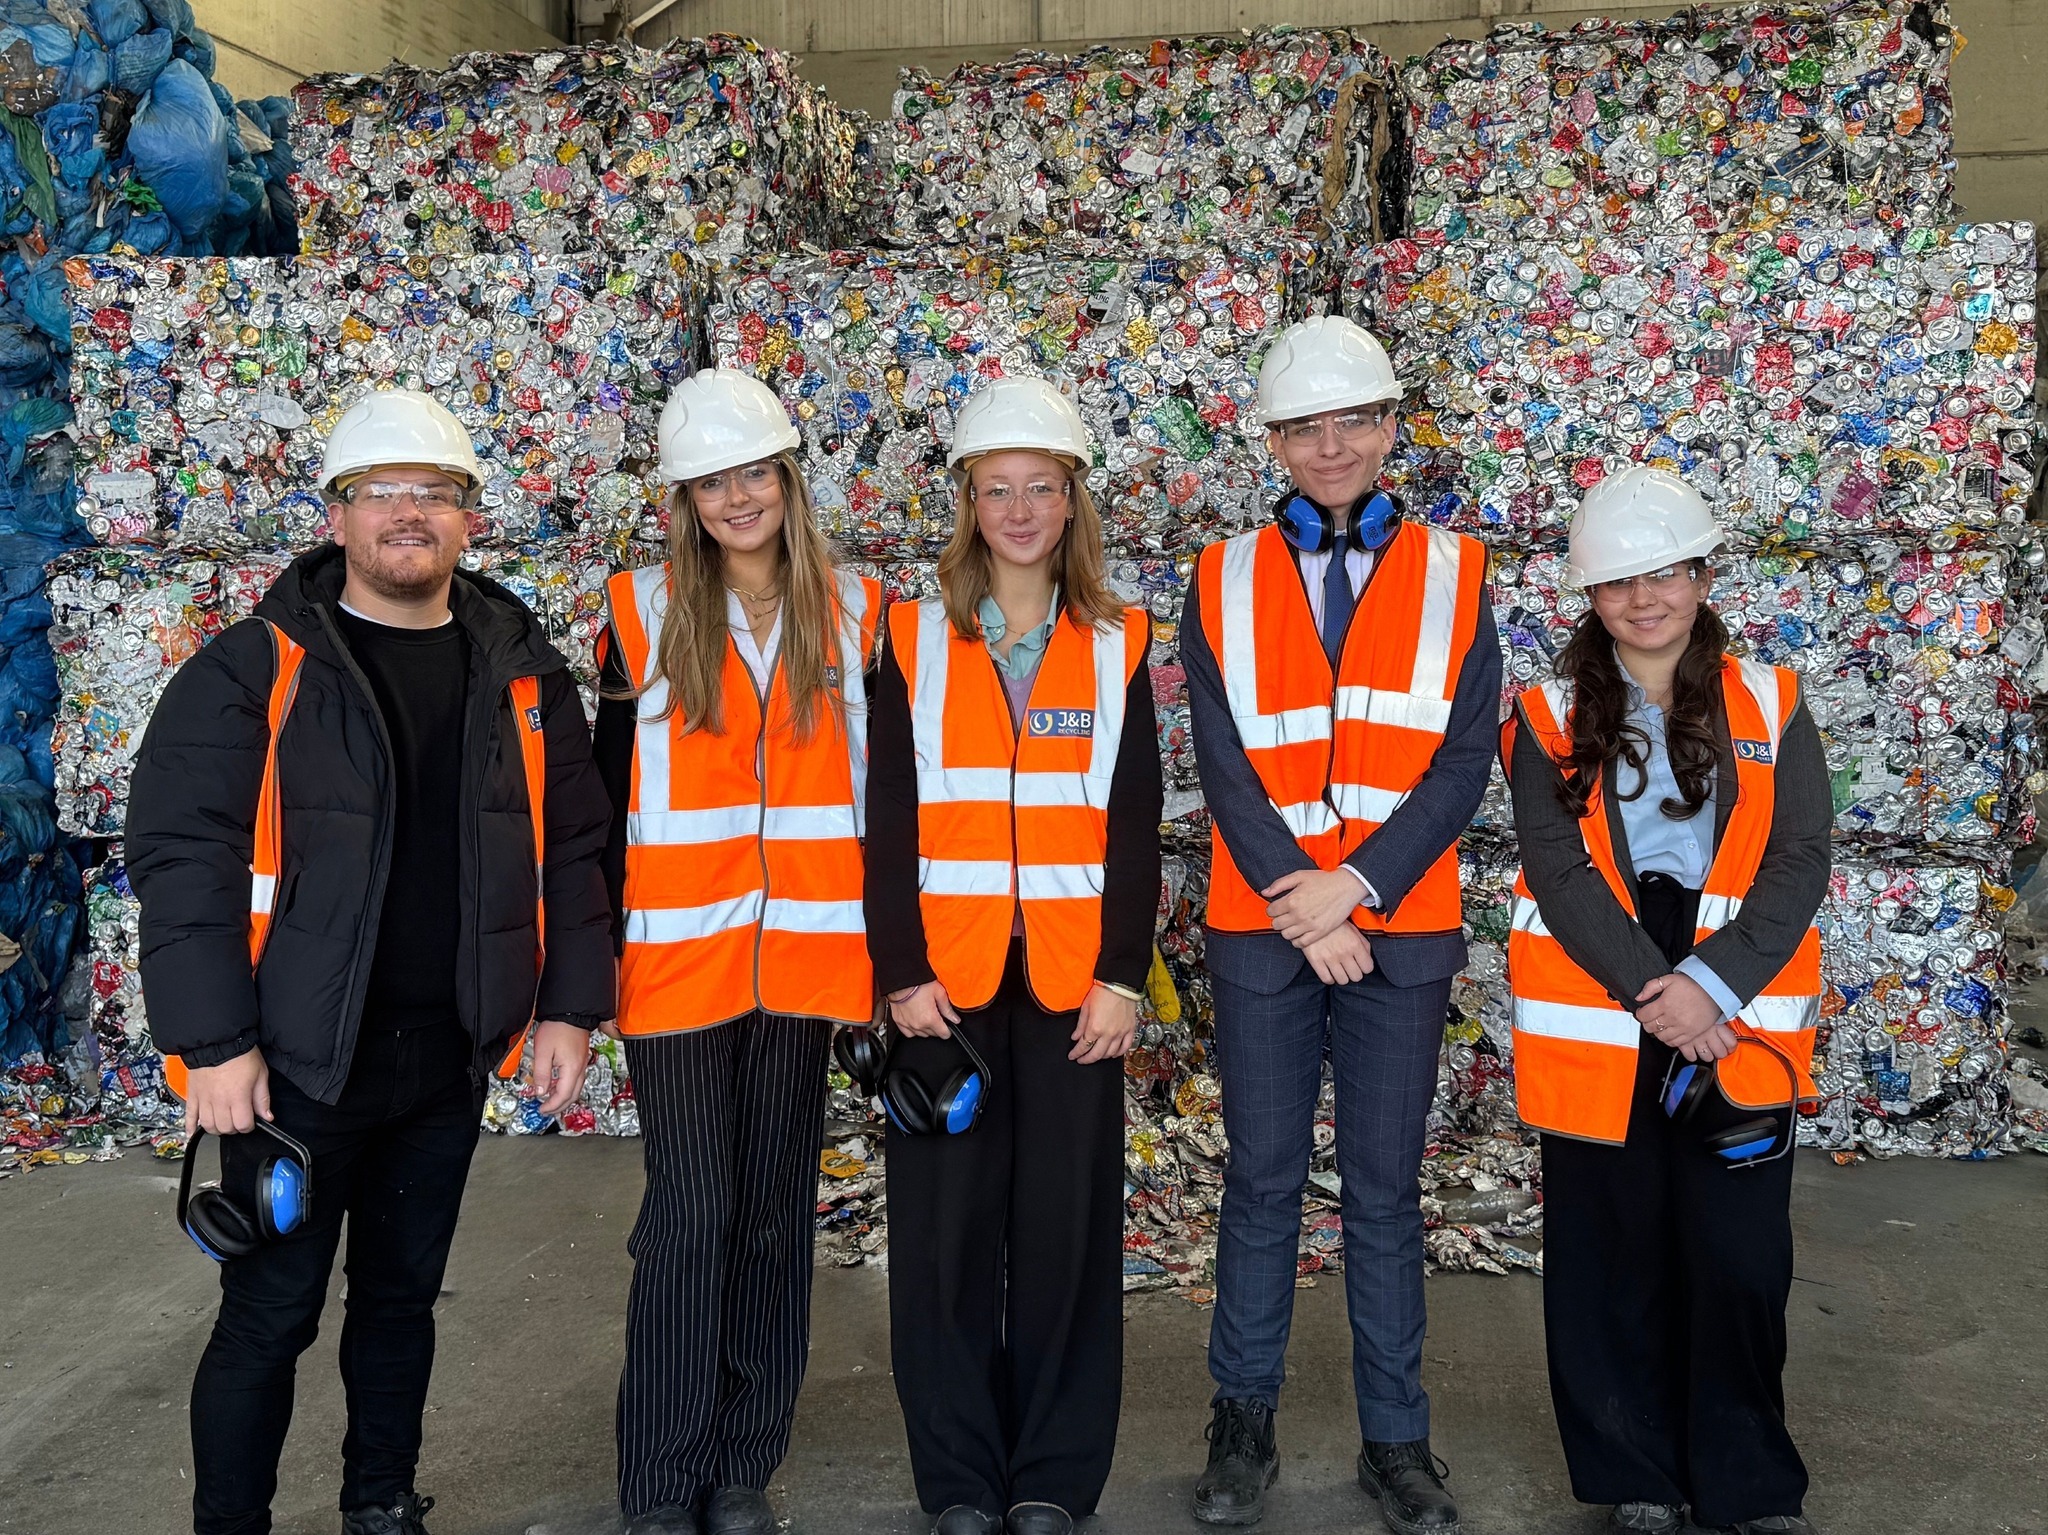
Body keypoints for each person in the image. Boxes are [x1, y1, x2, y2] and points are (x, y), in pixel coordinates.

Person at [127, 388, 617, 1535]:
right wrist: (214, 1041)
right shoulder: (256, 665)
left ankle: (381, 1500)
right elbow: (183, 853)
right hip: (295, 1060)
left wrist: (565, 1009)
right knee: (270, 1309)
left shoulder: (524, 675)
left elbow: (576, 848)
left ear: (469, 519)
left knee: (400, 1299)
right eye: (383, 492)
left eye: (435, 493)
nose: (411, 513)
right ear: (336, 516)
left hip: (443, 1049)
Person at [1182, 315, 1499, 1534]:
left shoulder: (1457, 571)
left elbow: (1462, 756)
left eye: (1352, 420)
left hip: (1393, 925)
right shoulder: (1219, 576)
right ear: (1272, 440)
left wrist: (1353, 886)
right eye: (1304, 426)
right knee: (1259, 1180)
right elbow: (1221, 756)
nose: (1330, 445)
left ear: (1387, 428)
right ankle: (1240, 1421)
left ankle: (1397, 1440)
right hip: (1268, 927)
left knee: (1381, 1187)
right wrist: (1299, 900)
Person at [1503, 466, 1829, 1535]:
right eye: (1617, 582)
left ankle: (1745, 1479)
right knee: (1611, 1254)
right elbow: (1557, 870)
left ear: (1699, 576)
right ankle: (1632, 1472)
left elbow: (1796, 861)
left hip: (1731, 1006)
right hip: (1608, 1005)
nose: (1643, 598)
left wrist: (1706, 983)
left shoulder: (1771, 703)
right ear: (1588, 597)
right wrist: (1655, 987)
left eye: (1664, 573)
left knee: (1739, 1259)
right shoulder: (1545, 714)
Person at [864, 375, 1162, 1535]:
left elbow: (1133, 822)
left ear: (1072, 499)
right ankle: (956, 1480)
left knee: (1064, 1234)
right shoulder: (909, 634)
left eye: (1042, 486)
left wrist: (1124, 976)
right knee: (942, 1237)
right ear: (967, 501)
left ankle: (1048, 1475)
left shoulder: (1118, 638)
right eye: (999, 488)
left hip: (1073, 987)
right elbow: (887, 812)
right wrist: (900, 970)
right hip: (945, 983)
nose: (1022, 508)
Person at [592, 369, 883, 1535]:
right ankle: (661, 1478)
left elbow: (889, 796)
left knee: (770, 1210)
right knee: (690, 1214)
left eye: (753, 471)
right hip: (676, 967)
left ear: (787, 480)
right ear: (684, 498)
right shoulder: (636, 610)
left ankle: (741, 1465)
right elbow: (600, 801)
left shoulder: (857, 612)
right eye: (712, 480)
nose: (737, 497)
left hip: (807, 962)